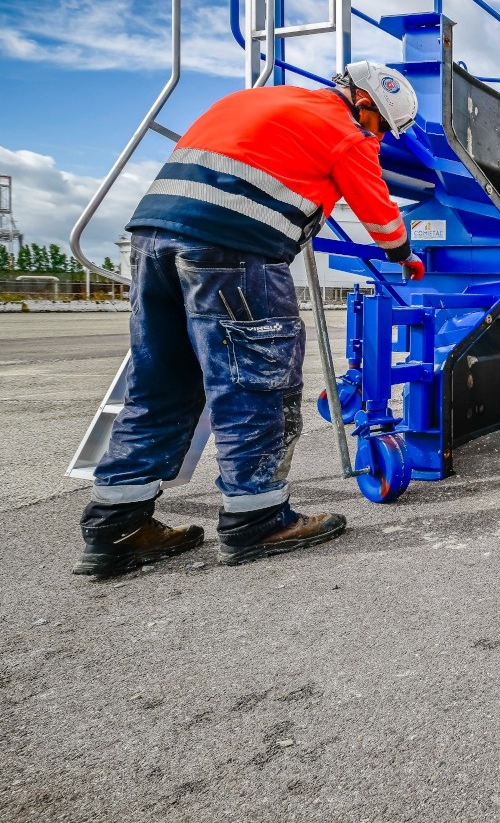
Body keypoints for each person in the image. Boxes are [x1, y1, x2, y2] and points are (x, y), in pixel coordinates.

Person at [73, 62, 426, 578]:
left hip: (152, 241)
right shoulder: (347, 132)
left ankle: (117, 529)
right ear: (364, 103)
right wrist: (405, 255)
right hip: (233, 253)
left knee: (160, 382)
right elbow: (380, 216)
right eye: (380, 127)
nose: (378, 139)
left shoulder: (249, 101)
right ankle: (256, 520)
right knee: (256, 384)